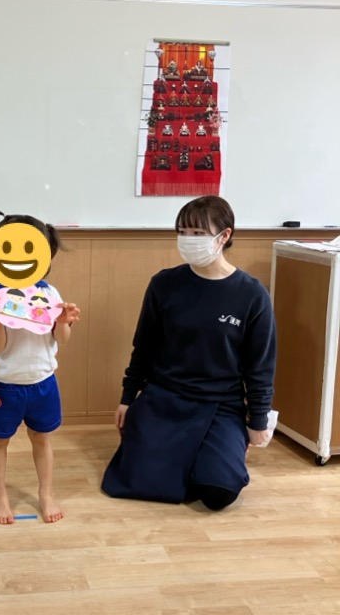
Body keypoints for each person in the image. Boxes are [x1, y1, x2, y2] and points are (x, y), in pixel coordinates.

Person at [101, 195, 276, 511]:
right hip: (164, 397)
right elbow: (144, 347)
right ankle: (189, 457)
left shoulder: (252, 294)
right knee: (133, 483)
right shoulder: (164, 284)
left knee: (218, 494)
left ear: (224, 236)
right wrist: (128, 398)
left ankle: (220, 450)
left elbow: (260, 366)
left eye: (197, 233)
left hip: (221, 403)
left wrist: (258, 420)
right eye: (182, 232)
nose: (187, 239)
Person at [0, 209, 81, 524]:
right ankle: (0, 498)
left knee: (42, 439)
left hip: (42, 382)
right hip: (4, 384)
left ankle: (46, 494)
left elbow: (61, 339)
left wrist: (63, 321)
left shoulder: (49, 294)